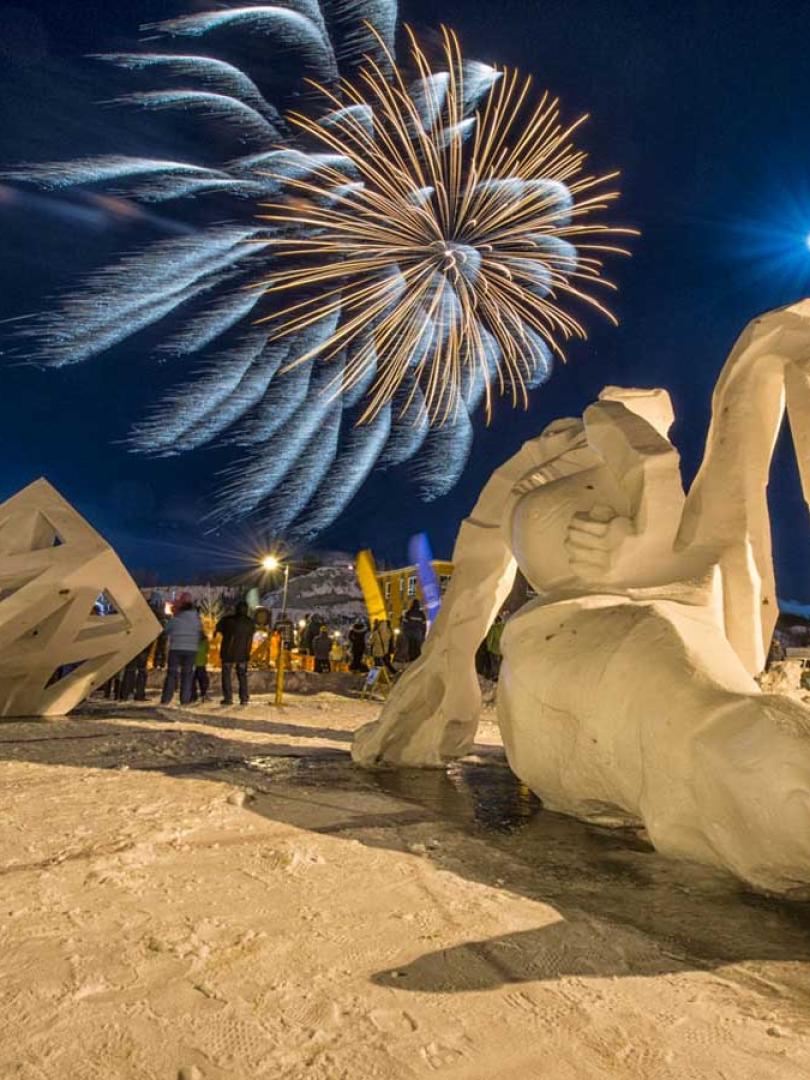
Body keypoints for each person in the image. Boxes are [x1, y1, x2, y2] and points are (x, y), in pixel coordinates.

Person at [161, 594, 203, 706]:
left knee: (171, 674)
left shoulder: (176, 619)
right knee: (187, 675)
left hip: (176, 648)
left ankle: (166, 699)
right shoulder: (197, 620)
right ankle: (184, 700)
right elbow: (200, 633)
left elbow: (166, 630)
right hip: (191, 650)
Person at [215, 600, 255, 706]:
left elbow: (218, 628)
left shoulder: (228, 620)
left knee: (226, 675)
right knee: (242, 676)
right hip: (243, 654)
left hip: (228, 653)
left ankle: (228, 698)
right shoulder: (250, 622)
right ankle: (244, 698)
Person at [191, 632, 211, 703]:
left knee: (192, 680)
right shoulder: (205, 641)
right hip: (202, 663)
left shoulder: (192, 641)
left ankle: (193, 696)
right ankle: (203, 694)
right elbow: (207, 651)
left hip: (193, 663)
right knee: (203, 680)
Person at [486, 613, 506, 680]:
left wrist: (488, 648)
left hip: (495, 650)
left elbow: (490, 640)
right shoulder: (505, 626)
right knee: (502, 664)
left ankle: (495, 676)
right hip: (503, 650)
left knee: (495, 665)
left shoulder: (493, 628)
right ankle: (502, 677)